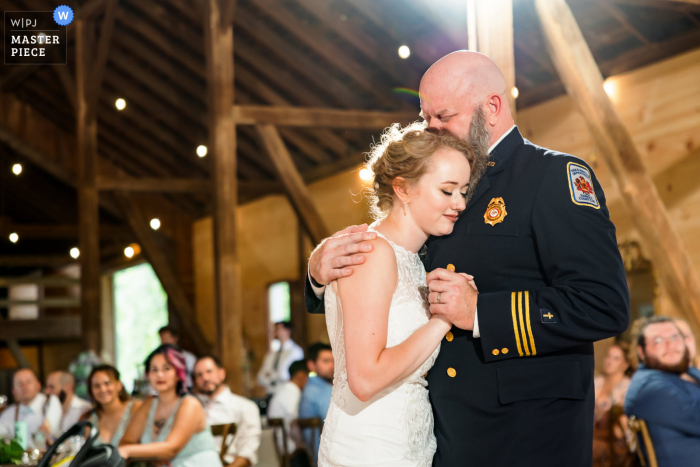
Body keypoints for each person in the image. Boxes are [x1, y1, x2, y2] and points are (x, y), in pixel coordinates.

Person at [305, 50, 630, 467]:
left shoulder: (550, 176)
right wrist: (318, 275)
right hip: (441, 432)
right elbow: (389, 274)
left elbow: (603, 303)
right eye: (426, 118)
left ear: (491, 107)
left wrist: (480, 312)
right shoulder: (431, 177)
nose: (432, 129)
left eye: (444, 115)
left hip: (524, 431)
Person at [317, 123, 474, 466]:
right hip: (370, 447)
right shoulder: (373, 253)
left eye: (463, 190)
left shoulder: (413, 260)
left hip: (412, 443)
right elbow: (364, 379)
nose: (459, 203)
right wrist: (443, 319)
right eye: (447, 191)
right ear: (403, 188)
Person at [119, 344, 222, 467]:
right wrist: (151, 456)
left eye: (166, 368)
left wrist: (130, 451)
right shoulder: (149, 404)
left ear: (179, 373)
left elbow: (170, 449)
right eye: (154, 369)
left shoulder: (190, 404)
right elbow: (125, 442)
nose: (160, 375)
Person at [624, 316, 700, 467]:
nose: (670, 345)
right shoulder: (648, 386)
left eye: (674, 337)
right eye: (658, 340)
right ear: (641, 351)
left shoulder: (689, 372)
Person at [193, 356, 261, 467]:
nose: (205, 378)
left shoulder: (245, 407)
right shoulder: (190, 408)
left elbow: (247, 454)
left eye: (209, 371)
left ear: (222, 373)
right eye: (199, 375)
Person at [593, 343, 635, 467]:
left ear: (626, 364)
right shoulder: (597, 382)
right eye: (608, 356)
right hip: (591, 435)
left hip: (617, 443)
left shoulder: (628, 388)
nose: (609, 361)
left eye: (616, 358)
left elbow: (619, 430)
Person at [0, 368, 62, 447]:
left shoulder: (51, 404)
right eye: (20, 384)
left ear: (38, 385)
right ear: (14, 391)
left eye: (28, 382)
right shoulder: (8, 414)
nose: (24, 386)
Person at [83, 365, 142, 447]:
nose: (102, 389)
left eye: (107, 383)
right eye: (97, 386)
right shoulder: (91, 420)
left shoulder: (136, 409)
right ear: (91, 391)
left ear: (119, 385)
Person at [298, 343, 333, 463]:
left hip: (314, 457)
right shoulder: (322, 390)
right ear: (311, 365)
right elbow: (335, 424)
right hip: (328, 457)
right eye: (326, 361)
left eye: (334, 361)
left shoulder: (309, 386)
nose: (332, 365)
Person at [267, 360, 309, 455]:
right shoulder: (292, 393)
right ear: (301, 375)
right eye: (308, 376)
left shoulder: (285, 390)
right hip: (289, 450)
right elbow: (294, 422)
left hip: (282, 447)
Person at [257, 321, 304, 395]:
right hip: (271, 393)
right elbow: (260, 377)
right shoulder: (272, 354)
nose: (275, 332)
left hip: (287, 394)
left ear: (287, 331)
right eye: (274, 329)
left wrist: (270, 375)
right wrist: (275, 377)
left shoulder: (295, 351)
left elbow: (284, 375)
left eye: (278, 329)